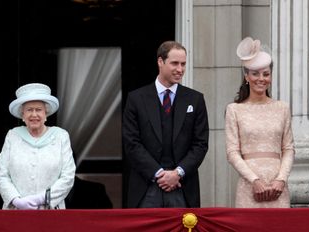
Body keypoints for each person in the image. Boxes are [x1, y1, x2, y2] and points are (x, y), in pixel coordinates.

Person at [122, 41, 209, 208]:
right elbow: (131, 143)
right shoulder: (136, 99)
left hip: (182, 186)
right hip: (146, 187)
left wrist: (178, 173)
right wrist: (159, 174)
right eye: (174, 63)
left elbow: (200, 144)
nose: (180, 69)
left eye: (183, 64)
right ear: (160, 62)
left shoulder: (195, 99)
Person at [225, 37, 295, 208]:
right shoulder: (234, 109)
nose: (261, 79)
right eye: (255, 73)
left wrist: (281, 179)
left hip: (278, 187)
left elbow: (288, 148)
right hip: (249, 186)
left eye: (266, 74)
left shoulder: (282, 108)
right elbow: (232, 152)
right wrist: (254, 180)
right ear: (246, 76)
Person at [0, 83, 76, 209]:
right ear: (22, 114)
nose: (34, 115)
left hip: (51, 212)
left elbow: (68, 176)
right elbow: (2, 175)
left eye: (38, 109)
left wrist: (41, 199)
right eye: (29, 110)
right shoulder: (12, 136)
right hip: (17, 212)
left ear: (46, 113)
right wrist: (16, 201)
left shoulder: (61, 136)